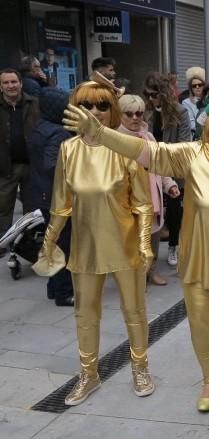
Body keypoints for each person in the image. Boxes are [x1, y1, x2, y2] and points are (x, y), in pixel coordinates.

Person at [64, 99, 209, 412]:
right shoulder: (193, 155)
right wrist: (102, 134)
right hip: (200, 263)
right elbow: (149, 154)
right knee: (203, 328)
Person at [39, 80, 154, 405]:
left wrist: (145, 243)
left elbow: (143, 203)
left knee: (134, 310)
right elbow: (62, 203)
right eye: (87, 105)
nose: (94, 113)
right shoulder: (69, 150)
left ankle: (140, 368)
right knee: (85, 313)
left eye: (102, 106)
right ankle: (88, 375)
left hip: (125, 245)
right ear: (76, 110)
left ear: (112, 110)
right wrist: (49, 242)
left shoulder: (125, 147)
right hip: (86, 248)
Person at [118, 94, 180, 287]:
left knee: (153, 236)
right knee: (132, 239)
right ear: (120, 114)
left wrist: (169, 184)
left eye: (139, 113)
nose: (135, 117)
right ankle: (135, 276)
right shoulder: (114, 139)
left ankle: (151, 271)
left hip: (152, 197)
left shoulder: (148, 136)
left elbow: (159, 165)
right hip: (128, 199)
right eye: (129, 113)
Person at [27, 87, 73, 306]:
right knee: (63, 243)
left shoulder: (40, 127)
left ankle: (54, 288)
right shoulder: (59, 132)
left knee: (53, 241)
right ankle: (64, 292)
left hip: (41, 192)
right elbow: (52, 165)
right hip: (57, 197)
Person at [143, 73, 192, 269]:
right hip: (149, 169)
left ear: (162, 93)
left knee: (173, 210)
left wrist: (166, 161)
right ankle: (148, 253)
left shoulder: (180, 112)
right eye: (147, 94)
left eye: (153, 94)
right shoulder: (144, 111)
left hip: (172, 167)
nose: (150, 98)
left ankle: (173, 245)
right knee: (151, 210)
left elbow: (184, 143)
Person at [0, 68, 39, 243]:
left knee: (32, 207)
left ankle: (29, 242)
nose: (10, 86)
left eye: (14, 82)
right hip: (6, 166)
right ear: (0, 87)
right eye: (6, 83)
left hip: (32, 164)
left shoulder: (35, 104)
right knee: (2, 207)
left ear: (21, 83)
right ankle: (3, 242)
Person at [180, 67, 207, 138]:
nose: (197, 87)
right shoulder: (186, 102)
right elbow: (192, 124)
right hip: (196, 137)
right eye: (194, 86)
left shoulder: (208, 100)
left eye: (200, 85)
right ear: (191, 88)